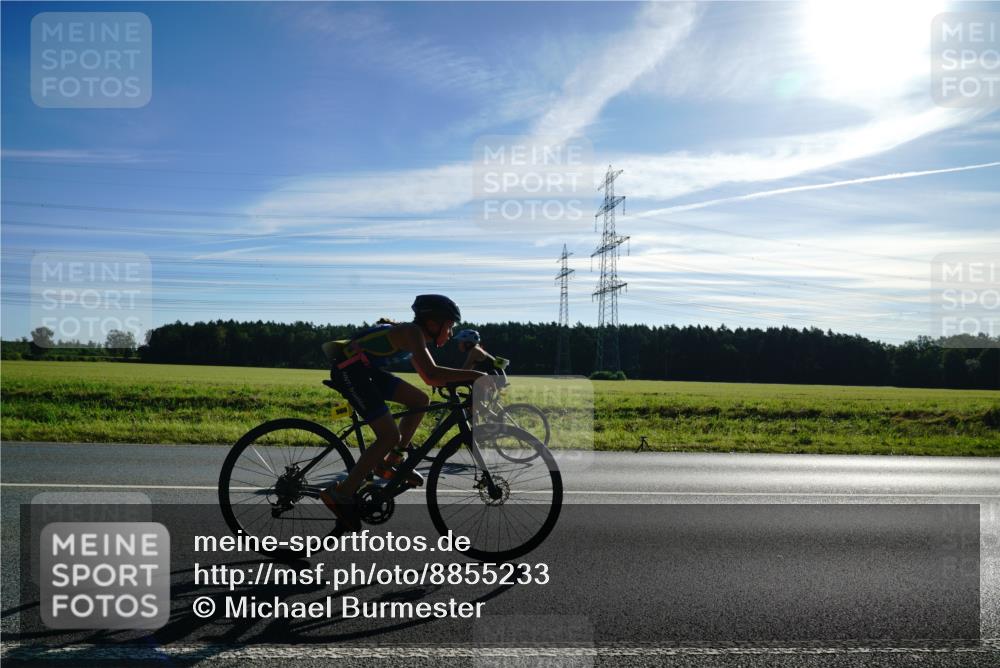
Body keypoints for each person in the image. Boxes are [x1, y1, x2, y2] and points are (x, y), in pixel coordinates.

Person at [320, 295, 487, 531]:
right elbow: (431, 374)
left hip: (366, 371)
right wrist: (475, 376)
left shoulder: (414, 336)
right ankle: (342, 493)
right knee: (388, 436)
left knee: (420, 399)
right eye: (449, 327)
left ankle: (390, 462)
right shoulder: (412, 333)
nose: (450, 334)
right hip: (351, 371)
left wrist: (458, 381)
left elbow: (430, 379)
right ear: (433, 323)